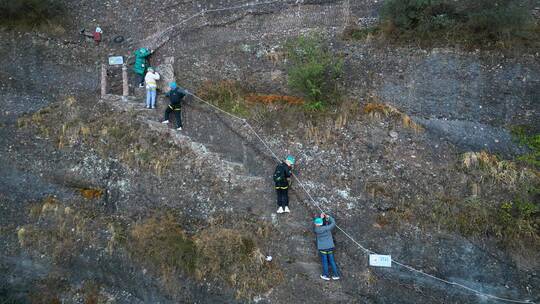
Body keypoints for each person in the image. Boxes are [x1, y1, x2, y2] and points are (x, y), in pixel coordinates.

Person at [313, 213, 340, 281]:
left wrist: (322, 218)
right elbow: (333, 223)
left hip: (323, 248)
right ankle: (336, 275)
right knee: (332, 261)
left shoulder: (316, 229)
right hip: (330, 247)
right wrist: (329, 217)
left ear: (316, 224)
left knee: (325, 261)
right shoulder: (327, 228)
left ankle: (326, 275)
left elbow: (319, 224)